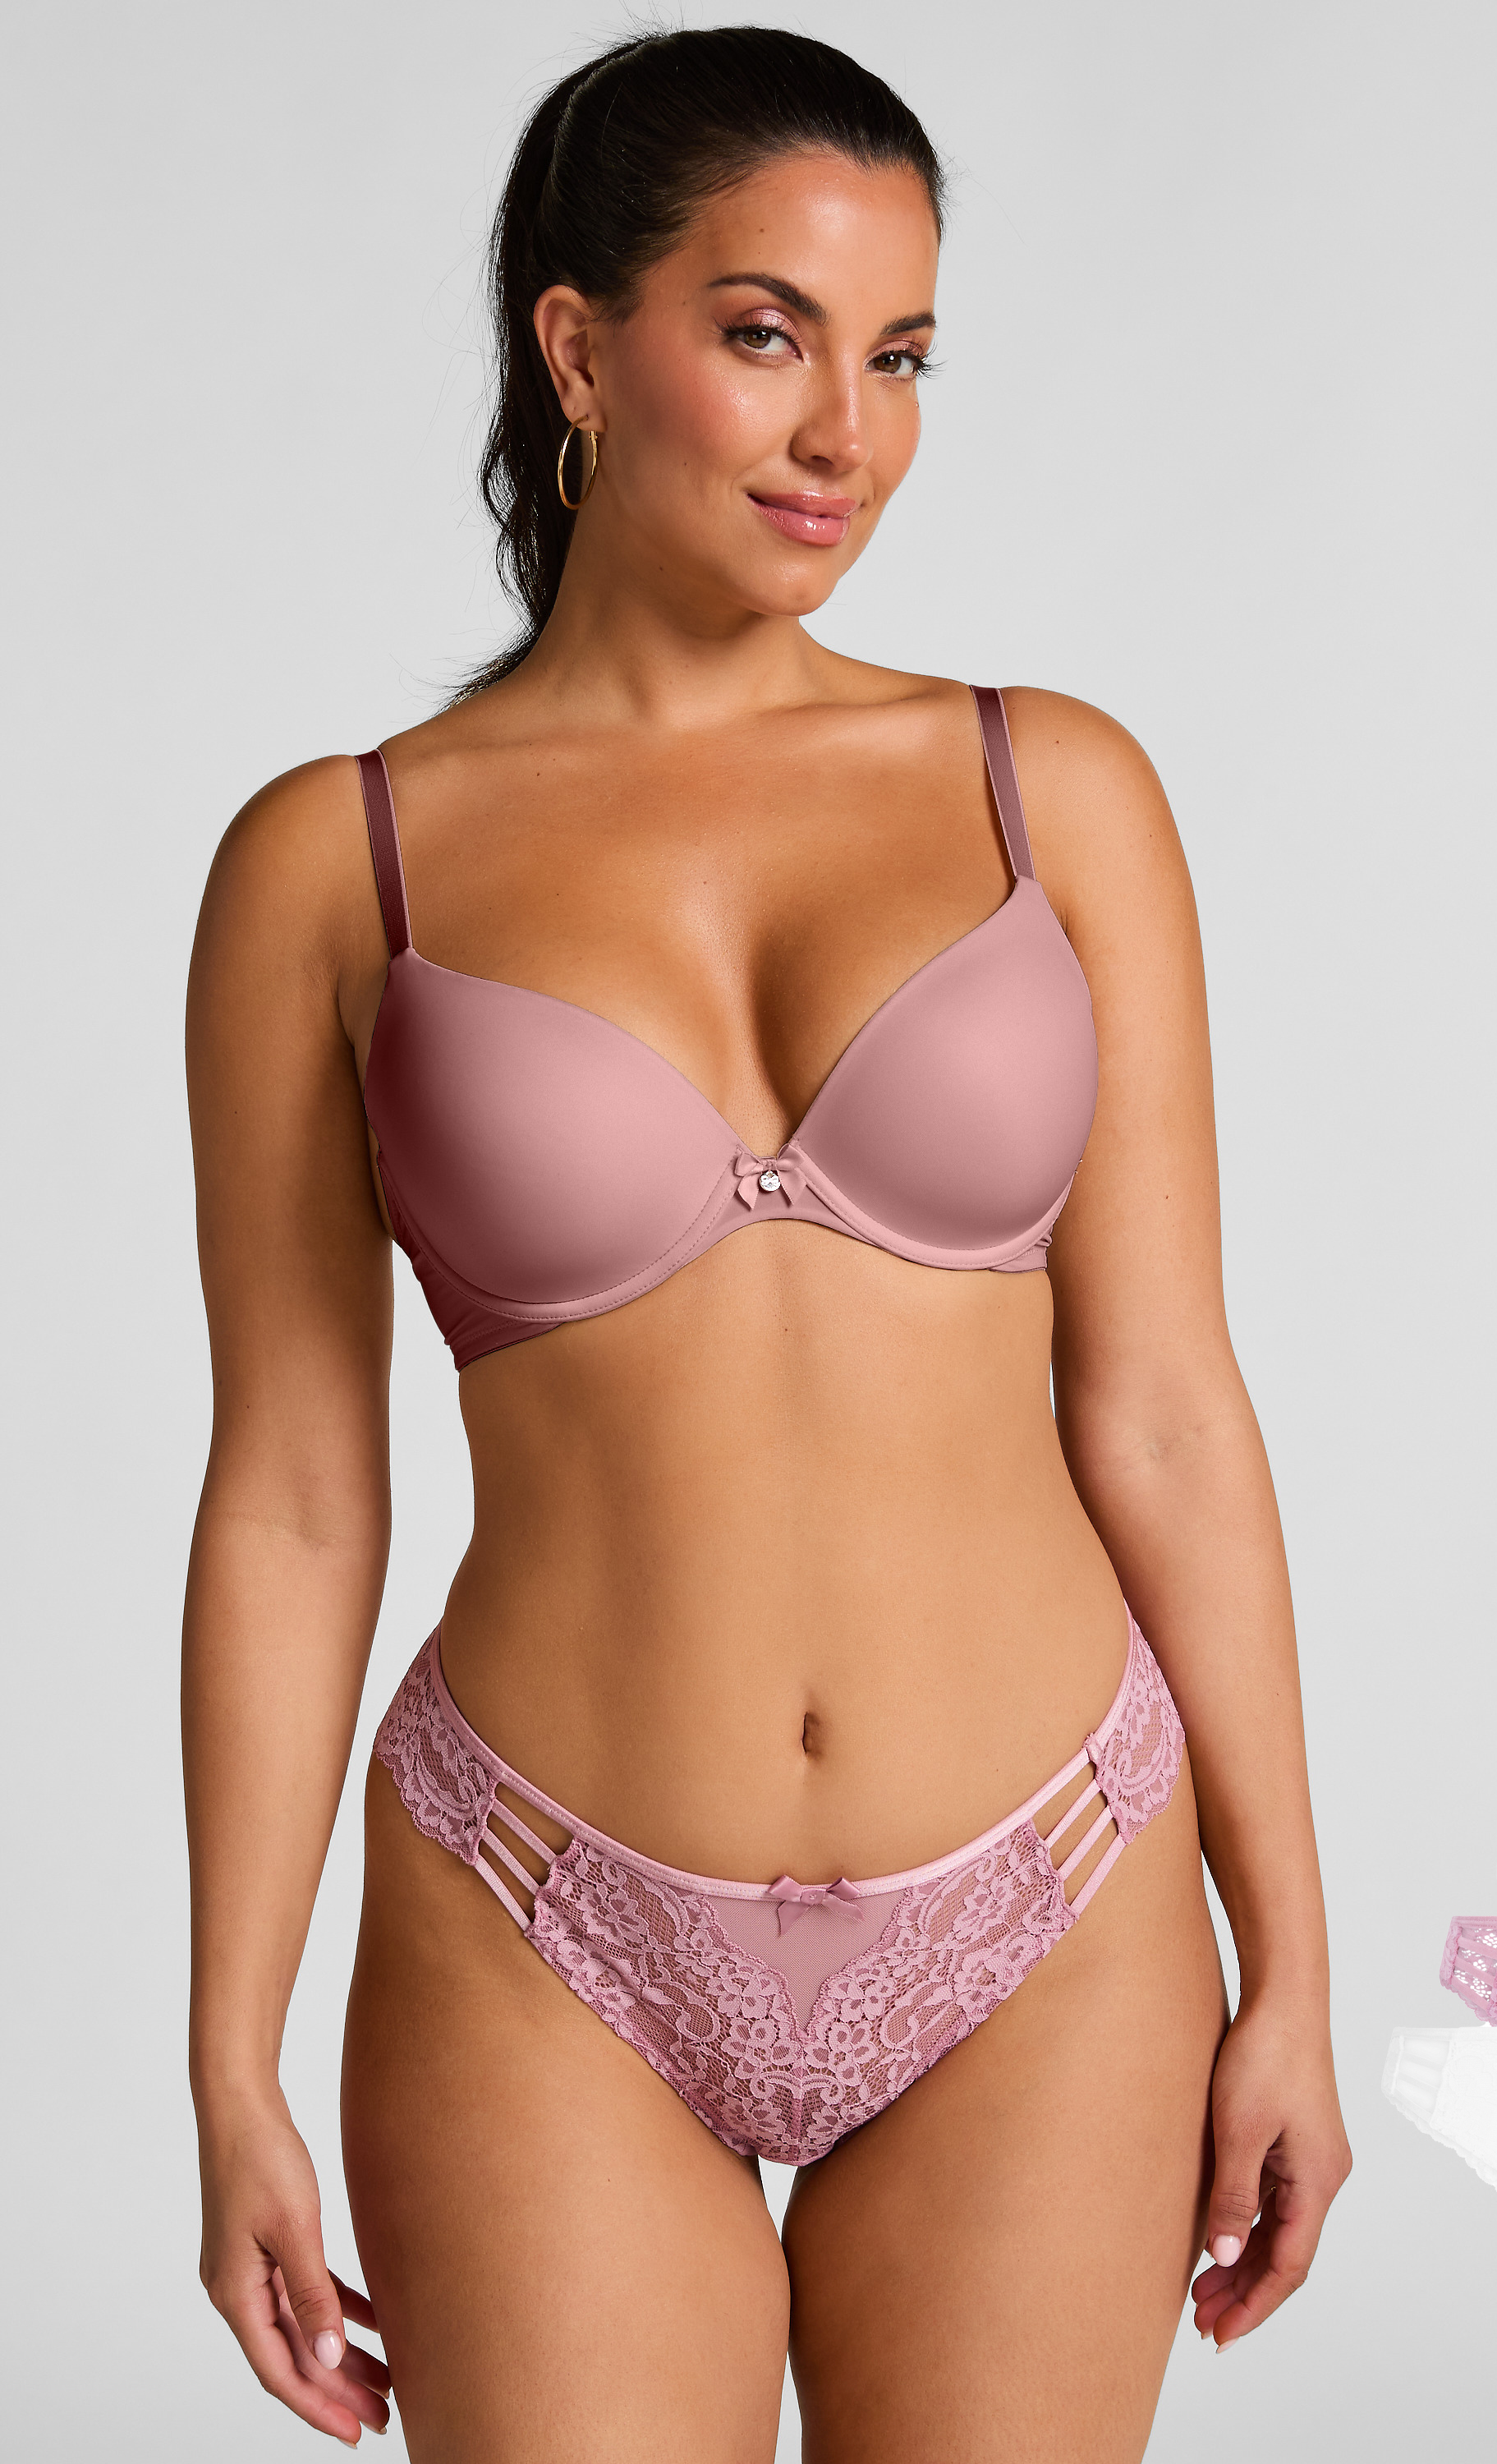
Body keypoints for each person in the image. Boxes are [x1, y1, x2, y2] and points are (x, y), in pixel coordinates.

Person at [184, 27, 1348, 2459]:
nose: (847, 434)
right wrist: (229, 2056)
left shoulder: (1051, 792)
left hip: (1051, 1894)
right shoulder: (335, 862)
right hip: (540, 1920)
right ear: (578, 347)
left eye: (899, 355)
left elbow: (1164, 1409)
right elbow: (293, 1492)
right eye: (765, 333)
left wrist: (1294, 1969)